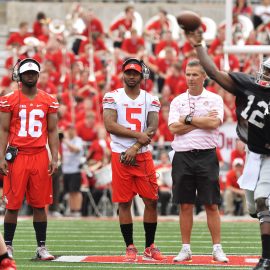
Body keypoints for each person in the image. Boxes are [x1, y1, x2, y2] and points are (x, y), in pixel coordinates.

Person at [186, 26, 270, 270]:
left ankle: (266, 258)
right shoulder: (247, 85)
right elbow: (213, 71)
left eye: (269, 72)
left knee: (265, 202)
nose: (263, 75)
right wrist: (199, 46)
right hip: (252, 152)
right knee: (254, 207)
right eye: (264, 70)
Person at [103, 58, 166, 262]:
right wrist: (137, 136)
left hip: (141, 155)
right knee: (124, 202)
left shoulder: (151, 98)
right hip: (120, 155)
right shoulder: (112, 96)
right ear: (123, 74)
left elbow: (153, 127)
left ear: (142, 76)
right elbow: (109, 125)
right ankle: (130, 246)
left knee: (152, 201)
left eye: (135, 73)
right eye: (128, 73)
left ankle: (150, 246)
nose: (132, 76)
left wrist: (136, 146)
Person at [168, 59, 228, 263]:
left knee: (212, 204)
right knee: (185, 204)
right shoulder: (177, 101)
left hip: (206, 154)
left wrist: (187, 119)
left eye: (195, 74)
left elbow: (213, 123)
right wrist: (199, 121)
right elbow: (173, 128)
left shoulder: (214, 99)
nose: (191, 78)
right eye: (188, 74)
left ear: (204, 76)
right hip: (182, 154)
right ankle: (185, 248)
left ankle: (217, 248)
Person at [0, 58, 59, 260]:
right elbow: (4, 129)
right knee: (12, 204)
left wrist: (55, 157)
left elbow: (52, 130)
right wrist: (1, 156)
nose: (30, 76)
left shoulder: (48, 100)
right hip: (17, 155)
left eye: (33, 73)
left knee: (40, 204)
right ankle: (7, 247)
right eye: (26, 73)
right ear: (20, 76)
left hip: (39, 155)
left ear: (38, 74)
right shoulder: (9, 99)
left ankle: (41, 247)